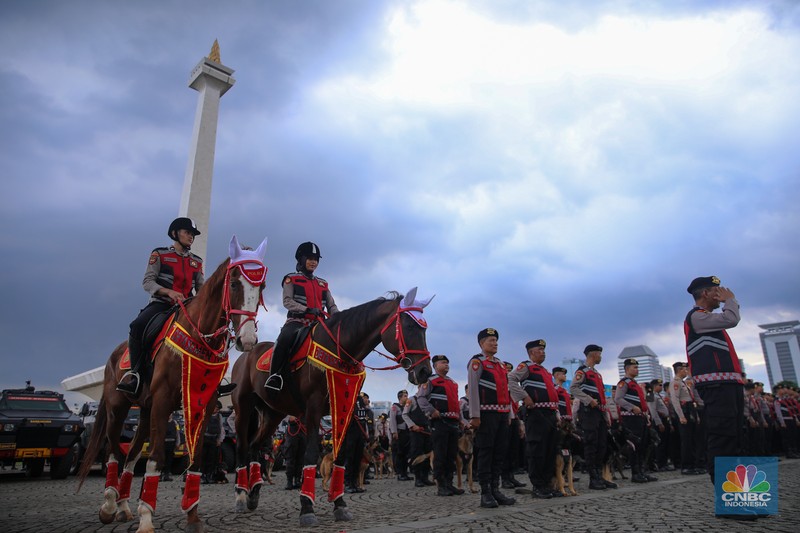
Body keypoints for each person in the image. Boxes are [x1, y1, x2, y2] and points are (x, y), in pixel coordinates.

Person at [117, 217, 203, 395]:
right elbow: (147, 282)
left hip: (187, 309)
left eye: (193, 234)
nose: (191, 237)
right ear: (174, 234)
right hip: (162, 305)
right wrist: (168, 292)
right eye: (187, 232)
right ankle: (136, 375)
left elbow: (202, 289)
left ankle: (210, 380)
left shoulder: (197, 261)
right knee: (137, 326)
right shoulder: (160, 254)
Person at [683, 276, 745, 485]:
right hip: (716, 386)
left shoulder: (707, 318)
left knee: (736, 438)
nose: (721, 295)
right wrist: (731, 300)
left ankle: (742, 496)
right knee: (723, 438)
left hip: (729, 384)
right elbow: (731, 319)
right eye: (716, 291)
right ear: (705, 294)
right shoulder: (697, 317)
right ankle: (729, 498)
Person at [266, 242, 339, 391]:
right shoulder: (291, 279)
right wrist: (306, 309)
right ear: (301, 259)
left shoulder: (323, 283)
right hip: (297, 321)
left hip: (319, 323)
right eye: (310, 258)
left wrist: (339, 317)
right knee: (284, 339)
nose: (314, 262)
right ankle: (274, 376)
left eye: (316, 259)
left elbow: (331, 305)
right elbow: (287, 301)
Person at [467, 328, 516, 508]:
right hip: (486, 414)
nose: (494, 343)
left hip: (502, 414)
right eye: (490, 340)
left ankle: (496, 489)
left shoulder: (501, 364)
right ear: (481, 344)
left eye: (496, 340)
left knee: (499, 452)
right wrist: (474, 415)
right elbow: (472, 389)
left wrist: (509, 413)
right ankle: (485, 492)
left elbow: (506, 391)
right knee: (486, 452)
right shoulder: (477, 362)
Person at [508, 339, 560, 498]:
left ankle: (547, 484)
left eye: (544, 349)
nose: (543, 352)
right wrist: (524, 397)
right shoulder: (526, 367)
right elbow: (510, 379)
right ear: (531, 353)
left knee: (550, 450)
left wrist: (556, 413)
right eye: (539, 349)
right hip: (536, 413)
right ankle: (538, 486)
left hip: (550, 413)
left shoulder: (545, 371)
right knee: (537, 450)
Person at [416, 354, 466, 496]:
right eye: (443, 363)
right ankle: (441, 485)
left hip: (453, 423)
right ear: (435, 366)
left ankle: (449, 484)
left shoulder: (453, 383)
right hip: (439, 422)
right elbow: (421, 398)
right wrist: (432, 411)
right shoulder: (430, 381)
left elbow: (456, 404)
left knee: (451, 455)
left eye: (447, 363)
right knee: (440, 454)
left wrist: (461, 419)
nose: (446, 365)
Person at [570, 344, 616, 490]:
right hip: (589, 413)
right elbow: (573, 388)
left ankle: (600, 476)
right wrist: (588, 400)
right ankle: (593, 478)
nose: (600, 357)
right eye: (599, 354)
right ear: (592, 355)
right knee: (591, 444)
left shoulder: (597, 374)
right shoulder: (582, 372)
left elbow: (602, 397)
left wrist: (606, 415)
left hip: (599, 414)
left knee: (602, 445)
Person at [614, 358, 657, 483]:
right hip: (630, 418)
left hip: (640, 418)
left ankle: (643, 471)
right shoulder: (624, 383)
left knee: (643, 445)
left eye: (637, 367)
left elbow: (643, 401)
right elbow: (618, 399)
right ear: (627, 368)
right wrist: (632, 407)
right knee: (634, 445)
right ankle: (636, 473)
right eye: (634, 367)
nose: (637, 369)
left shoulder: (635, 384)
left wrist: (646, 415)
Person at [403, 390, 434, 488]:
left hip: (427, 431)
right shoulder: (411, 400)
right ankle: (418, 479)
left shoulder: (428, 400)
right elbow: (404, 414)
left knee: (428, 453)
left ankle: (425, 477)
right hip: (416, 431)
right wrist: (412, 425)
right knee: (417, 454)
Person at [343, 394, 369, 493]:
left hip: (360, 434)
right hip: (350, 433)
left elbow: (364, 420)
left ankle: (354, 483)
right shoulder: (348, 398)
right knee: (349, 459)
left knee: (357, 460)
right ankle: (347, 483)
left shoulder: (360, 401)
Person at [648, 379, 674, 471]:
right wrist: (659, 423)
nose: (661, 387)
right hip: (659, 421)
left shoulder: (658, 395)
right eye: (660, 385)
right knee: (660, 443)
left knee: (666, 443)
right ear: (654, 386)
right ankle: (661, 464)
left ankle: (665, 463)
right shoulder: (650, 395)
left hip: (665, 420)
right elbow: (653, 411)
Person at [389, 390, 412, 481]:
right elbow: (392, 420)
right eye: (405, 396)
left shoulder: (407, 407)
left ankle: (405, 473)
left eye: (407, 395)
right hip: (399, 433)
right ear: (400, 398)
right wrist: (394, 432)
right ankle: (400, 473)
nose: (407, 397)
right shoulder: (395, 407)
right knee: (400, 454)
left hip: (407, 432)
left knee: (406, 454)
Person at [202, 401, 224, 484]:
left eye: (218, 409)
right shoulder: (205, 414)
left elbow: (221, 428)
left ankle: (209, 475)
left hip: (213, 438)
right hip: (205, 438)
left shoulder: (219, 416)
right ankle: (203, 475)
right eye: (216, 408)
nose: (217, 410)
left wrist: (219, 439)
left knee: (212, 459)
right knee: (203, 458)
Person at [282, 415, 307, 490]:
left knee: (301, 457)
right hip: (292, 427)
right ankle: (289, 481)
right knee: (290, 456)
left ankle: (297, 480)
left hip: (303, 427)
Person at [161, 412, 182, 481]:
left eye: (170, 414)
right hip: (163, 443)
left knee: (169, 459)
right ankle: (160, 474)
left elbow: (177, 433)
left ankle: (167, 474)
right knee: (162, 459)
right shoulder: (162, 422)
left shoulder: (175, 423)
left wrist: (178, 443)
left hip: (171, 443)